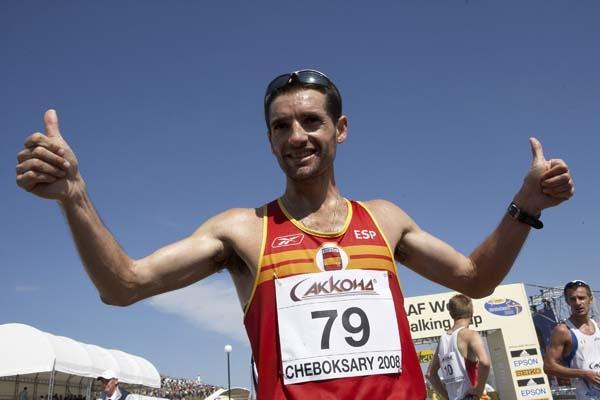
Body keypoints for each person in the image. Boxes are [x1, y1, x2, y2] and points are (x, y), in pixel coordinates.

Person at [15, 69, 574, 399]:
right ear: (269, 141)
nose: (297, 135)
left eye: (311, 121)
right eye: (281, 126)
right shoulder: (242, 230)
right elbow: (123, 285)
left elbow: (476, 279)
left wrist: (525, 204)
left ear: (341, 130)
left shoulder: (383, 219)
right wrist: (75, 197)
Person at [426, 294, 491, 400]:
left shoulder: (443, 339)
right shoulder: (470, 335)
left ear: (451, 314)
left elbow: (430, 374)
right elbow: (485, 363)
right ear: (472, 313)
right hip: (469, 396)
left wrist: (446, 396)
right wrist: (479, 390)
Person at [544, 280, 600, 399]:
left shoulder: (598, 327)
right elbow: (549, 367)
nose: (577, 303)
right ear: (567, 301)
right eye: (572, 299)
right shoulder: (563, 331)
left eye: (581, 298)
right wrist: (584, 373)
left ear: (590, 299)